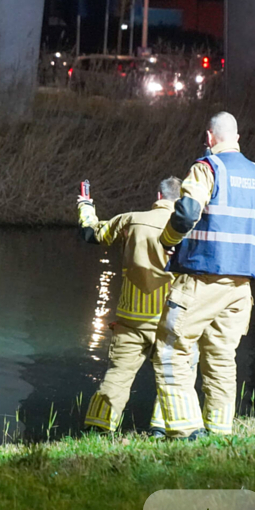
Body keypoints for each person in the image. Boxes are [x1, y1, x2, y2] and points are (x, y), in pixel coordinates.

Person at [152, 112, 255, 438]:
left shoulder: (207, 168)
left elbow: (186, 212)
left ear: (210, 137)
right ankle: (219, 430)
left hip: (202, 279)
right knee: (222, 359)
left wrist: (167, 240)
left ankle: (185, 430)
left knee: (171, 351)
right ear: (237, 137)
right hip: (240, 287)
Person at [77, 177, 185, 437]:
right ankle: (162, 428)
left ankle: (99, 426)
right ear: (180, 200)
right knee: (172, 376)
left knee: (118, 374)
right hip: (171, 317)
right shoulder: (188, 226)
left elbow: (91, 233)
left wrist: (85, 205)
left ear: (158, 195)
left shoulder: (130, 219)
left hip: (131, 317)